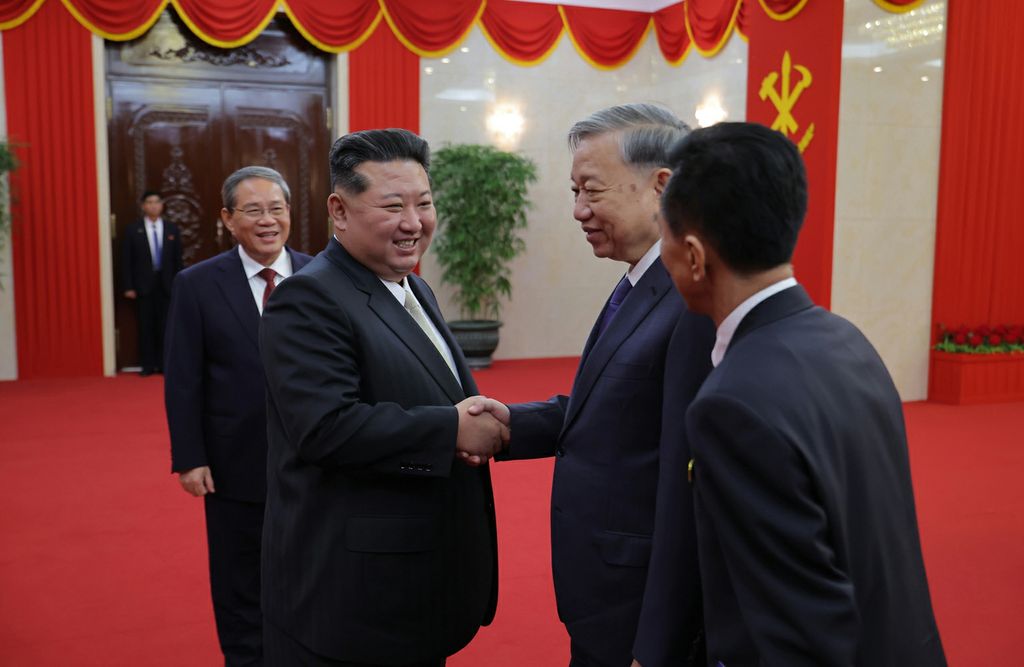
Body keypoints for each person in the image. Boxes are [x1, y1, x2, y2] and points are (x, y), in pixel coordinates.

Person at [658, 122, 947, 666]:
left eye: (664, 233)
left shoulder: (731, 404)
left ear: (695, 257)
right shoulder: (845, 339)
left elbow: (797, 632)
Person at [259, 128, 507, 666]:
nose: (414, 223)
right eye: (393, 205)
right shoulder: (310, 296)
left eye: (424, 203)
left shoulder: (413, 287)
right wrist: (450, 431)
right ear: (339, 211)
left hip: (414, 587)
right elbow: (325, 427)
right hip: (354, 601)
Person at [486, 103, 716, 667]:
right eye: (574, 192)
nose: (578, 210)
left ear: (661, 187)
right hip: (605, 594)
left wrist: (660, 639)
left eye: (591, 191)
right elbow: (612, 410)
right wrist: (510, 426)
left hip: (639, 607)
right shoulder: (640, 283)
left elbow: (688, 487)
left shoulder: (691, 301)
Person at [164, 166, 312, 666]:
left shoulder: (324, 276)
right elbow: (183, 379)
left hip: (318, 461)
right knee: (240, 583)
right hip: (234, 464)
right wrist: (190, 457)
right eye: (253, 210)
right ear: (228, 219)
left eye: (277, 208)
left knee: (314, 576)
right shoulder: (198, 284)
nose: (267, 220)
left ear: (290, 213)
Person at [121, 190, 183, 375]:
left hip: (167, 284)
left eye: (157, 202)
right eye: (149, 202)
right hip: (143, 285)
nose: (153, 205)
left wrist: (179, 284)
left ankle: (165, 365)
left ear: (162, 205)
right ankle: (147, 365)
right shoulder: (133, 229)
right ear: (143, 206)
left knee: (166, 326)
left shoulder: (172, 229)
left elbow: (177, 260)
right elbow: (126, 260)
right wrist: (128, 286)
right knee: (145, 326)